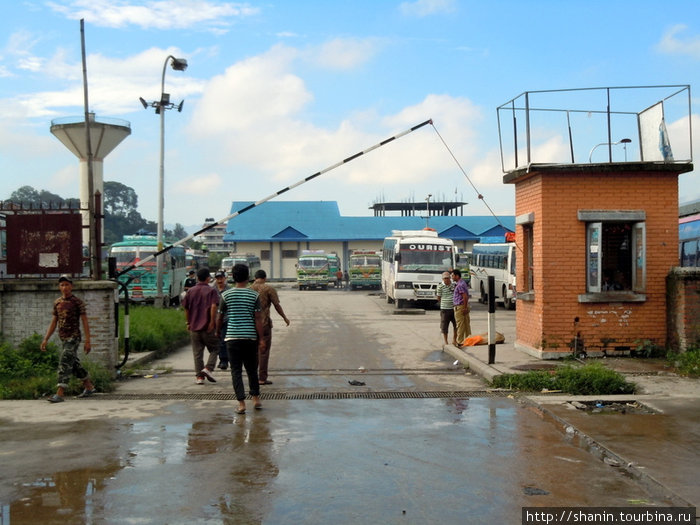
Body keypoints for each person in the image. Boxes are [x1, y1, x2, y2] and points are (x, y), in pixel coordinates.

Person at [40, 275, 96, 403]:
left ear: (71, 286)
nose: (64, 287)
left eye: (67, 284)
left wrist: (88, 341)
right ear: (59, 287)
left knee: (64, 361)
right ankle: (89, 387)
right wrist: (46, 339)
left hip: (74, 337)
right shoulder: (58, 303)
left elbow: (85, 321)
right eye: (62, 285)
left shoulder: (77, 302)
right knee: (73, 363)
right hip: (64, 338)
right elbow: (54, 321)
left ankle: (60, 393)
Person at [218, 263, 263, 414]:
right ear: (248, 277)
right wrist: (261, 338)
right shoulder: (254, 295)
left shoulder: (226, 295)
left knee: (236, 371)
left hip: (232, 338)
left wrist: (218, 332)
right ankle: (256, 399)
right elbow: (258, 318)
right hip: (250, 337)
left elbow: (220, 316)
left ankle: (242, 403)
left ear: (232, 277)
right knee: (251, 369)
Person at [250, 269, 290, 385]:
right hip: (264, 324)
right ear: (265, 278)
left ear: (255, 278)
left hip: (251, 325)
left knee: (253, 352)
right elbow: (277, 305)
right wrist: (284, 317)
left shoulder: (248, 289)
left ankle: (252, 377)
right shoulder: (269, 289)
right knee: (264, 351)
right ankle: (262, 378)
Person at [182, 267, 220, 385]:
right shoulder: (211, 291)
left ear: (197, 278)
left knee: (197, 353)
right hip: (207, 327)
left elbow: (186, 309)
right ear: (208, 278)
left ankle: (199, 378)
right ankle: (208, 368)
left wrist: (188, 322)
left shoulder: (190, 291)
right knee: (215, 348)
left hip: (194, 326)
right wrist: (212, 322)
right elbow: (214, 306)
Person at [212, 270, 230, 370]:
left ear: (225, 278)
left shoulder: (229, 290)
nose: (219, 280)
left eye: (221, 278)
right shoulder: (212, 290)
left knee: (224, 340)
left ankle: (224, 361)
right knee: (217, 340)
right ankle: (223, 359)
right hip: (215, 319)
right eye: (217, 278)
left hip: (226, 318)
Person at [436, 271, 457, 346]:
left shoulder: (454, 285)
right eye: (445, 278)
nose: (447, 280)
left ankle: (454, 340)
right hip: (444, 309)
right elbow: (438, 297)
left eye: (448, 278)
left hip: (454, 308)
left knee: (456, 325)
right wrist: (444, 303)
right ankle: (446, 341)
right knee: (444, 326)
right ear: (443, 279)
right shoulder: (440, 286)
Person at [452, 269, 472, 345]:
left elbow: (465, 297)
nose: (452, 277)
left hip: (460, 306)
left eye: (453, 276)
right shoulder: (463, 283)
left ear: (457, 276)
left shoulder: (460, 285)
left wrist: (464, 307)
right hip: (464, 305)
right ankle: (469, 340)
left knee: (460, 325)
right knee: (466, 324)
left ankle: (460, 341)